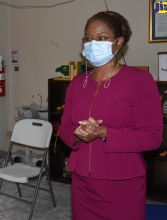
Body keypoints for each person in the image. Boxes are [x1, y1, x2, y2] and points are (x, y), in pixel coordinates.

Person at [58, 11, 163, 220]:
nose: (93, 43)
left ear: (119, 42)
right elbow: (64, 127)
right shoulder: (78, 83)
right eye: (88, 38)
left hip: (122, 183)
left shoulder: (140, 81)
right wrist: (77, 133)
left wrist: (104, 132)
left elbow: (153, 137)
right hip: (82, 183)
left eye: (102, 38)